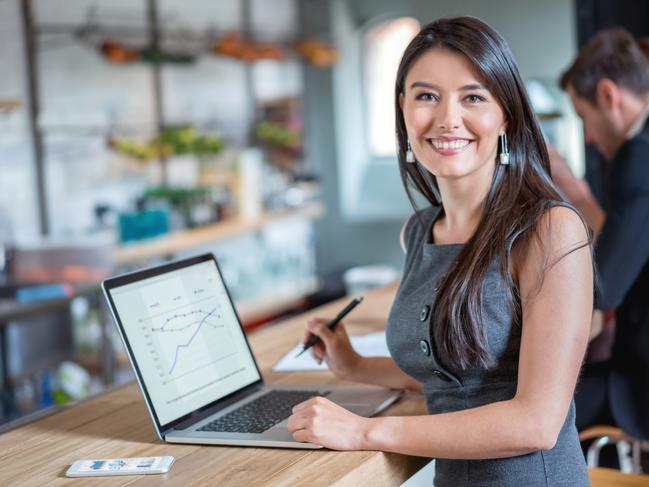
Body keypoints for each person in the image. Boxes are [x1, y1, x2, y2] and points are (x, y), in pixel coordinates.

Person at [286, 16, 593, 486]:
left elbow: (537, 422)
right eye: (427, 95)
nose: (448, 118)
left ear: (505, 113)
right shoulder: (420, 231)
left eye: (473, 97)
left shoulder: (550, 229)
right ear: (403, 108)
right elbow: (459, 378)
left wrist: (366, 432)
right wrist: (355, 367)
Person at [549, 27, 649, 441]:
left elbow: (604, 286)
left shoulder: (638, 157)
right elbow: (629, 245)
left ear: (609, 96)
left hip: (639, 384)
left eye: (583, 118)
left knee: (540, 409)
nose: (588, 136)